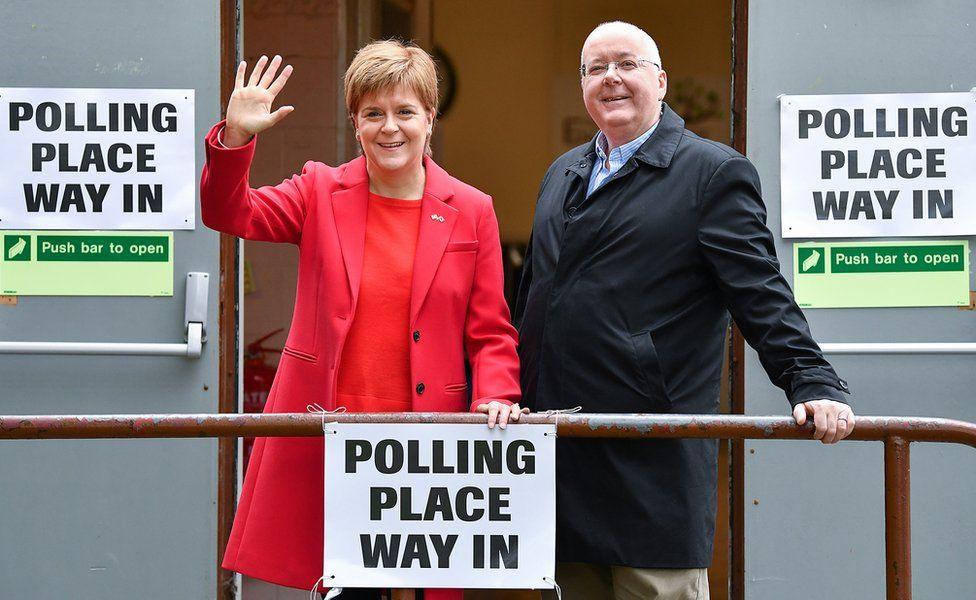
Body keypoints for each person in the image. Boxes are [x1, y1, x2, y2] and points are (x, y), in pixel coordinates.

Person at [514, 21, 856, 600]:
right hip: (561, 459)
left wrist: (812, 379)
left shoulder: (711, 174)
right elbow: (533, 303)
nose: (611, 78)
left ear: (661, 80)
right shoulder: (562, 173)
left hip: (652, 462)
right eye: (595, 69)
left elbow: (761, 292)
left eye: (627, 64)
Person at [201, 40, 524, 600]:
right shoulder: (320, 190)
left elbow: (490, 329)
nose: (389, 128)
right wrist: (236, 138)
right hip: (334, 435)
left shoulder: (473, 208)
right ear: (355, 123)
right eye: (373, 113)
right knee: (345, 588)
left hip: (428, 440)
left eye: (404, 112)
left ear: (430, 117)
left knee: (429, 588)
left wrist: (496, 393)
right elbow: (229, 212)